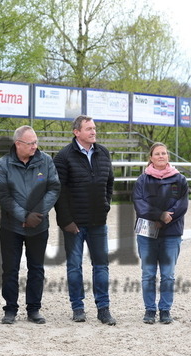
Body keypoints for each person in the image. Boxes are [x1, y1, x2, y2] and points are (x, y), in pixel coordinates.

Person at [0, 126, 60, 325]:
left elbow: (54, 188)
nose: (34, 146)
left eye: (36, 142)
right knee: (10, 269)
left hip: (39, 225)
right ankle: (10, 309)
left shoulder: (46, 161)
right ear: (18, 144)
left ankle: (34, 309)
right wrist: (24, 216)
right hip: (11, 226)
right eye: (30, 143)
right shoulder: (3, 164)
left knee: (36, 269)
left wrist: (37, 213)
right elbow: (3, 195)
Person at [53, 115, 116, 325]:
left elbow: (109, 182)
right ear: (76, 132)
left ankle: (103, 308)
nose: (93, 132)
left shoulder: (103, 152)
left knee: (101, 266)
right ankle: (77, 307)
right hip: (74, 224)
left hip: (98, 221)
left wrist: (105, 204)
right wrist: (66, 220)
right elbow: (59, 192)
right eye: (89, 128)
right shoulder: (63, 156)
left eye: (94, 128)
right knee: (74, 266)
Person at [132, 143, 188, 325]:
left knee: (168, 274)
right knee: (148, 273)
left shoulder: (180, 179)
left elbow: (182, 204)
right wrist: (159, 215)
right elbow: (139, 204)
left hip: (172, 233)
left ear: (168, 156)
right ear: (151, 158)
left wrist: (166, 218)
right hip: (147, 232)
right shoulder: (142, 180)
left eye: (164, 153)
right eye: (157, 154)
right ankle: (150, 309)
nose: (161, 156)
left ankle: (165, 310)